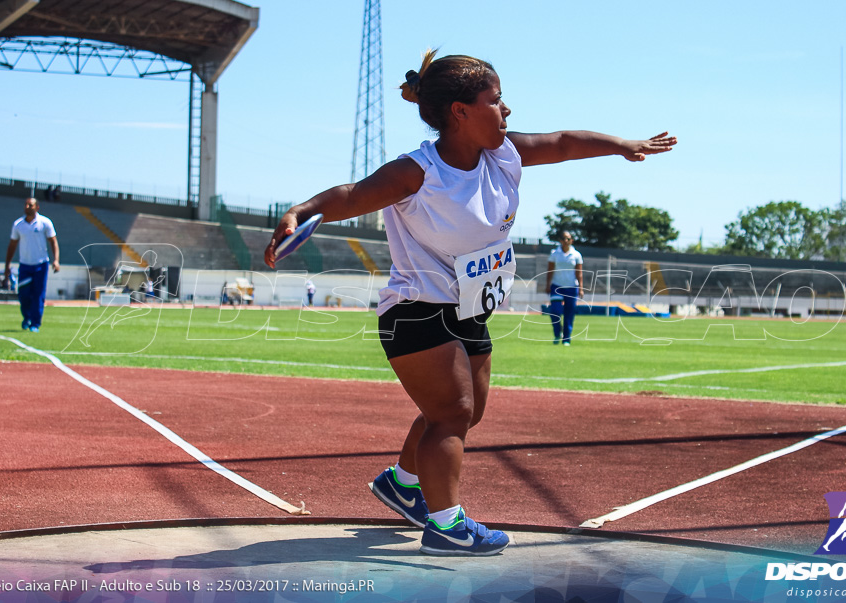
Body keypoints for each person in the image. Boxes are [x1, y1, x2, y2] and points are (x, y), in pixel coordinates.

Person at [264, 50, 675, 556]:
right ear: (460, 111)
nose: (506, 110)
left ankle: (402, 483)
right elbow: (351, 196)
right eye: (495, 100)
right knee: (452, 412)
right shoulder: (417, 172)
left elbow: (564, 144)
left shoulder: (502, 155)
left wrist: (622, 145)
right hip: (416, 307)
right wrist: (300, 211)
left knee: (466, 411)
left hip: (468, 306)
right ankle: (446, 526)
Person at [5, 198, 60, 333]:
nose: (28, 206)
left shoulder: (45, 223)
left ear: (37, 207)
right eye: (26, 204)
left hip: (41, 265)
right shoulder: (18, 225)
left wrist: (56, 260)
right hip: (24, 265)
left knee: (38, 295)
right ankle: (27, 317)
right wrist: (7, 265)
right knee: (23, 294)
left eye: (31, 205)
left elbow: (53, 242)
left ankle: (35, 323)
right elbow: (12, 245)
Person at [546, 231, 584, 346]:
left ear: (571, 240)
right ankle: (558, 333)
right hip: (557, 286)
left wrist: (581, 288)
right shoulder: (554, 253)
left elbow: (579, 273)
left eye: (569, 239)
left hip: (571, 287)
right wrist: (548, 284)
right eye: (564, 238)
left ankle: (566, 339)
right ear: (560, 241)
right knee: (555, 311)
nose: (566, 241)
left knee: (569, 314)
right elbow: (550, 270)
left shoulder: (576, 255)